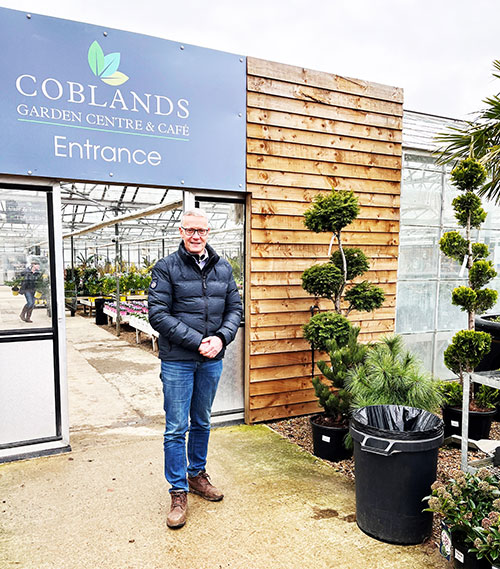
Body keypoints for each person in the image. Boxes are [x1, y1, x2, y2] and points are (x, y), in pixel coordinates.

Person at [148, 208, 242, 529]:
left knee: (202, 420)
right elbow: (158, 315)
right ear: (180, 232)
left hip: (211, 359)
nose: (195, 236)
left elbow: (235, 309)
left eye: (201, 231)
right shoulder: (166, 268)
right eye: (190, 230)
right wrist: (198, 341)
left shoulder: (223, 268)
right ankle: (177, 491)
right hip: (177, 360)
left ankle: (196, 475)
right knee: (176, 426)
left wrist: (220, 338)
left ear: (208, 232)